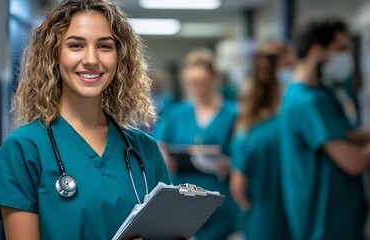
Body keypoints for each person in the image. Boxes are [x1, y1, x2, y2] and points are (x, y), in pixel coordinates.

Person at [0, 0, 171, 239]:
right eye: (76, 45)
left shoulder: (145, 151)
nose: (91, 59)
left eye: (105, 46)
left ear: (119, 58)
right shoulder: (24, 149)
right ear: (54, 55)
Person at [280, 17, 370, 240]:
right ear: (317, 51)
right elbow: (354, 162)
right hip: (325, 224)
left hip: (341, 216)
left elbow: (342, 136)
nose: (343, 58)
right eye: (339, 49)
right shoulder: (306, 101)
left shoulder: (321, 93)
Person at [155, 48, 240, 239]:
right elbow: (159, 147)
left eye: (201, 82)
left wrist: (231, 164)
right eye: (192, 83)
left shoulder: (234, 114)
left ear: (214, 79)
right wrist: (165, 159)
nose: (197, 88)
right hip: (185, 204)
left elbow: (245, 156)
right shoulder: (176, 114)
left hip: (223, 205)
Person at [229, 43, 290, 240]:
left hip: (261, 223)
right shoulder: (291, 127)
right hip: (295, 221)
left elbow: (238, 188)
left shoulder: (246, 132)